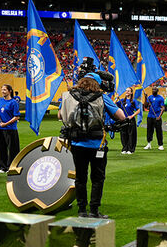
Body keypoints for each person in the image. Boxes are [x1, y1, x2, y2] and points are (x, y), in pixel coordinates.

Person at [58, 73, 126, 218]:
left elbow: (60, 115)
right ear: (98, 83)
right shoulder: (101, 97)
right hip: (97, 144)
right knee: (97, 179)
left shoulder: (69, 95)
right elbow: (121, 116)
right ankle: (94, 210)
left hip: (77, 143)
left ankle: (82, 210)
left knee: (80, 178)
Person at [0, 84, 20, 173]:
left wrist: (6, 124)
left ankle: (11, 167)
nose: (3, 91)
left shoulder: (13, 102)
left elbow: (16, 117)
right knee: (0, 148)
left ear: (9, 91)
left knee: (12, 149)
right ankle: (3, 167)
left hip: (10, 129)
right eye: (2, 90)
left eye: (4, 90)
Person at [119, 87, 141, 155]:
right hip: (123, 119)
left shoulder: (133, 101)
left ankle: (131, 149)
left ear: (131, 92)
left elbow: (138, 110)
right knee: (123, 134)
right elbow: (114, 105)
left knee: (131, 134)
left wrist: (132, 116)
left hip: (130, 120)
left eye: (128, 91)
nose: (127, 92)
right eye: (126, 91)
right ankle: (124, 148)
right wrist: (116, 98)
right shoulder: (122, 100)